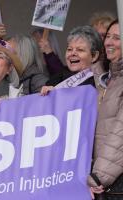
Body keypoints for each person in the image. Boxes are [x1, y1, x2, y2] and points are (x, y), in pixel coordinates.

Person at [88, 19, 123, 200]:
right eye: (108, 36)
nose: (109, 42)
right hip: (96, 181)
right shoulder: (97, 76)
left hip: (113, 184)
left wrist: (97, 177)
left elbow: (120, 134)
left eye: (117, 38)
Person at [40, 25, 103, 95]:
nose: (72, 53)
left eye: (80, 50)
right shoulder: (57, 79)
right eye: (69, 49)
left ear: (94, 56)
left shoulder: (101, 82)